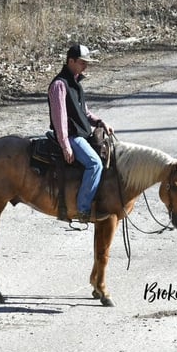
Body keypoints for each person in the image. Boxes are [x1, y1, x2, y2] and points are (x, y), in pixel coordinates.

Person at [48, 43, 114, 223]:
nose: (86, 66)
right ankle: (83, 210)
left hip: (80, 134)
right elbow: (59, 119)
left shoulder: (75, 83)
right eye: (82, 62)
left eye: (86, 63)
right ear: (71, 61)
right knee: (94, 164)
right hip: (70, 136)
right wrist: (65, 145)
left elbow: (84, 113)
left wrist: (100, 121)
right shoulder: (59, 85)